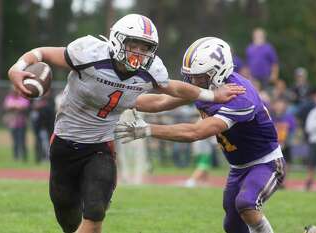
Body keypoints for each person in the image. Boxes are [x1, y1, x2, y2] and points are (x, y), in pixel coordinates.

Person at [7, 14, 245, 233]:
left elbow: (173, 88)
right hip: (64, 144)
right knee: (68, 218)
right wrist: (16, 68)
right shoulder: (89, 52)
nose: (139, 53)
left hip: (100, 147)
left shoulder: (151, 69)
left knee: (95, 212)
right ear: (117, 40)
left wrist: (212, 95)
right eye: (134, 45)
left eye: (146, 48)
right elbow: (42, 53)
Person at [115, 37, 285, 233]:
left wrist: (147, 129)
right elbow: (161, 100)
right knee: (232, 224)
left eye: (199, 77)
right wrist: (120, 98)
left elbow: (196, 132)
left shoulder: (241, 97)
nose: (193, 81)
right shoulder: (210, 88)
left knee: (246, 203)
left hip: (266, 162)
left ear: (218, 73)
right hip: (237, 166)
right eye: (190, 76)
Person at [3, 87, 30, 162]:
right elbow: (6, 106)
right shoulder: (9, 97)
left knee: (22, 141)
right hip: (12, 123)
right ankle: (16, 157)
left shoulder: (22, 98)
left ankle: (24, 157)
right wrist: (17, 107)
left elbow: (24, 106)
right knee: (15, 141)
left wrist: (14, 107)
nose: (14, 92)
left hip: (22, 122)